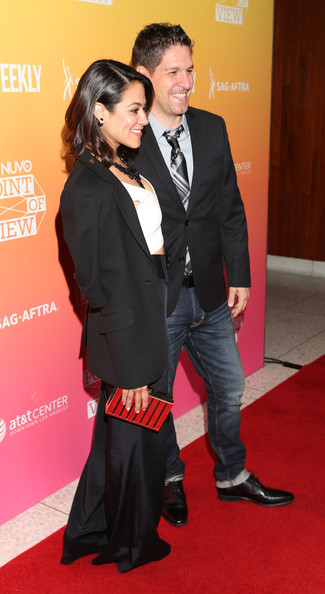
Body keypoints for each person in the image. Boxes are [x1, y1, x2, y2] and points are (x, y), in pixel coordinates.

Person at [131, 22, 294, 526]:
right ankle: (168, 479)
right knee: (157, 400)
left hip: (209, 291)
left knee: (228, 388)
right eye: (173, 71)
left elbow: (229, 209)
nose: (185, 82)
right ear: (144, 75)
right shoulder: (126, 139)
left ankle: (232, 476)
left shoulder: (212, 127)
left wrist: (239, 275)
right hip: (157, 299)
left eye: (191, 70)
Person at [59, 59, 171, 572]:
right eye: (134, 109)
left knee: (121, 438)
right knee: (134, 444)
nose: (144, 119)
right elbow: (99, 288)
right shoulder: (86, 188)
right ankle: (130, 545)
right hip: (129, 338)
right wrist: (129, 369)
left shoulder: (121, 165)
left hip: (149, 325)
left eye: (144, 108)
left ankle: (89, 530)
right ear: (99, 111)